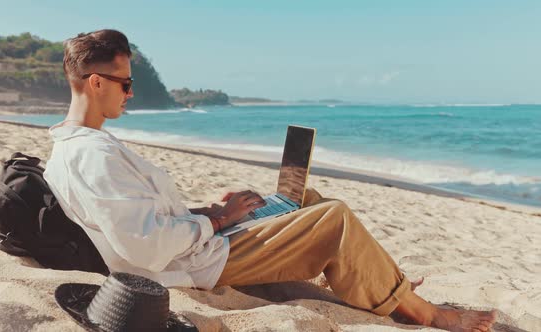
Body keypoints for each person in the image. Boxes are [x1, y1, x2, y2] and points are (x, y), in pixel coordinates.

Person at [44, 29, 496, 331]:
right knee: (333, 218)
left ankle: (379, 278)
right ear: (94, 82)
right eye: (125, 83)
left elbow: (135, 217)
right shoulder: (93, 154)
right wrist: (218, 222)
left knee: (303, 198)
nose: (131, 91)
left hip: (193, 242)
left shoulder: (77, 144)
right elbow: (145, 246)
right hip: (196, 262)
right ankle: (428, 314)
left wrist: (204, 210)